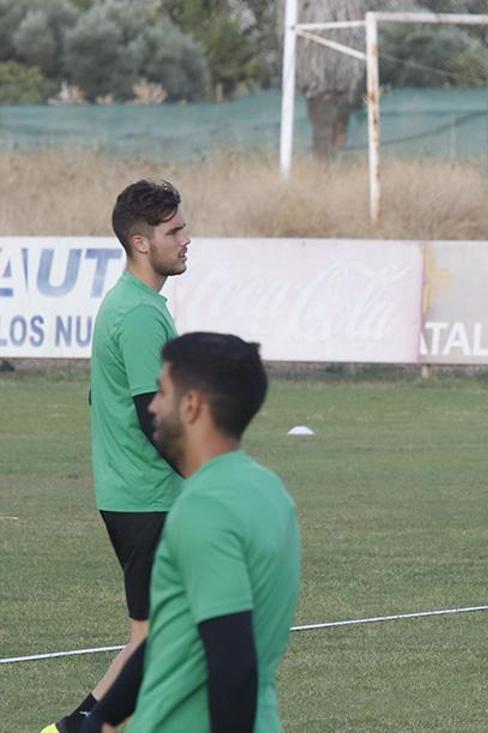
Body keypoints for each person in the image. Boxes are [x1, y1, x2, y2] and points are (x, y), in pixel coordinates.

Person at [83, 332, 302, 732]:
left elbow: (233, 665)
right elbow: (175, 632)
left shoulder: (204, 509)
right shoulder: (269, 491)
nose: (152, 406)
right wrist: (105, 715)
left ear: (192, 405)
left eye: (162, 392)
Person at [46, 180, 189, 733]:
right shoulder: (137, 314)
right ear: (141, 242)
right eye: (173, 231)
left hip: (135, 495)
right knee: (159, 642)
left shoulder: (133, 304)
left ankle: (74, 728)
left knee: (156, 638)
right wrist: (210, 475)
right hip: (147, 499)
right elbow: (154, 416)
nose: (186, 239)